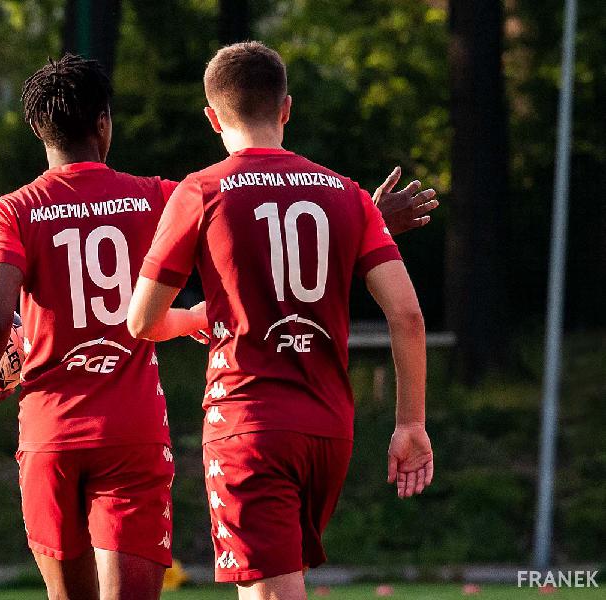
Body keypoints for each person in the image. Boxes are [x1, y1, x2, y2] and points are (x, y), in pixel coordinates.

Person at [127, 42, 434, 600]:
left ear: (212, 117)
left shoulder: (201, 190)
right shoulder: (348, 195)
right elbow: (408, 315)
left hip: (249, 423)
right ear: (286, 108)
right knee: (277, 583)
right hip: (328, 429)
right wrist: (411, 423)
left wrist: (193, 317)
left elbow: (141, 320)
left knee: (270, 593)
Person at [0, 55, 207, 600]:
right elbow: (248, 222)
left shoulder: (12, 212)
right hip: (131, 431)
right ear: (103, 122)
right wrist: (361, 212)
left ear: (38, 130)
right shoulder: (156, 196)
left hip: (51, 435)